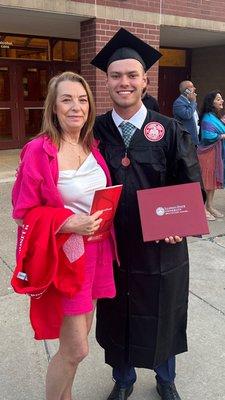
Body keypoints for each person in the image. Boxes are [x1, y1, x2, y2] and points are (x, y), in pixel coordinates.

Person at [91, 28, 204, 400]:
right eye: (116, 75)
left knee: (164, 311)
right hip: (113, 246)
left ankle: (165, 377)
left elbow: (189, 185)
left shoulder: (169, 130)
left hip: (161, 247)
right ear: (106, 81)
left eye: (131, 75)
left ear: (144, 80)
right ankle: (123, 381)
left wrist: (180, 224)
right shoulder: (95, 130)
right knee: (116, 312)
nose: (123, 82)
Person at [11, 71, 117, 400]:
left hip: (97, 253)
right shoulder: (39, 150)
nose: (76, 106)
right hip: (67, 255)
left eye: (82, 99)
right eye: (67, 99)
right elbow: (22, 211)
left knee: (78, 342)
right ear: (53, 108)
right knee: (76, 350)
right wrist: (70, 223)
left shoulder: (91, 146)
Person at [197, 90, 225, 221]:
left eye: (221, 99)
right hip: (207, 153)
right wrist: (222, 135)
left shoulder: (215, 116)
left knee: (212, 180)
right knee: (205, 181)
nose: (222, 101)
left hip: (215, 153)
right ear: (212, 102)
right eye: (218, 99)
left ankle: (210, 206)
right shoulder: (207, 117)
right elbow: (208, 136)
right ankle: (201, 208)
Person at [173, 80, 199, 145]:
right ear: (186, 90)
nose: (194, 88)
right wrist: (193, 102)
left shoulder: (190, 101)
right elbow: (187, 115)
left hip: (194, 138)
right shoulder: (178, 102)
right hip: (186, 139)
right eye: (192, 87)